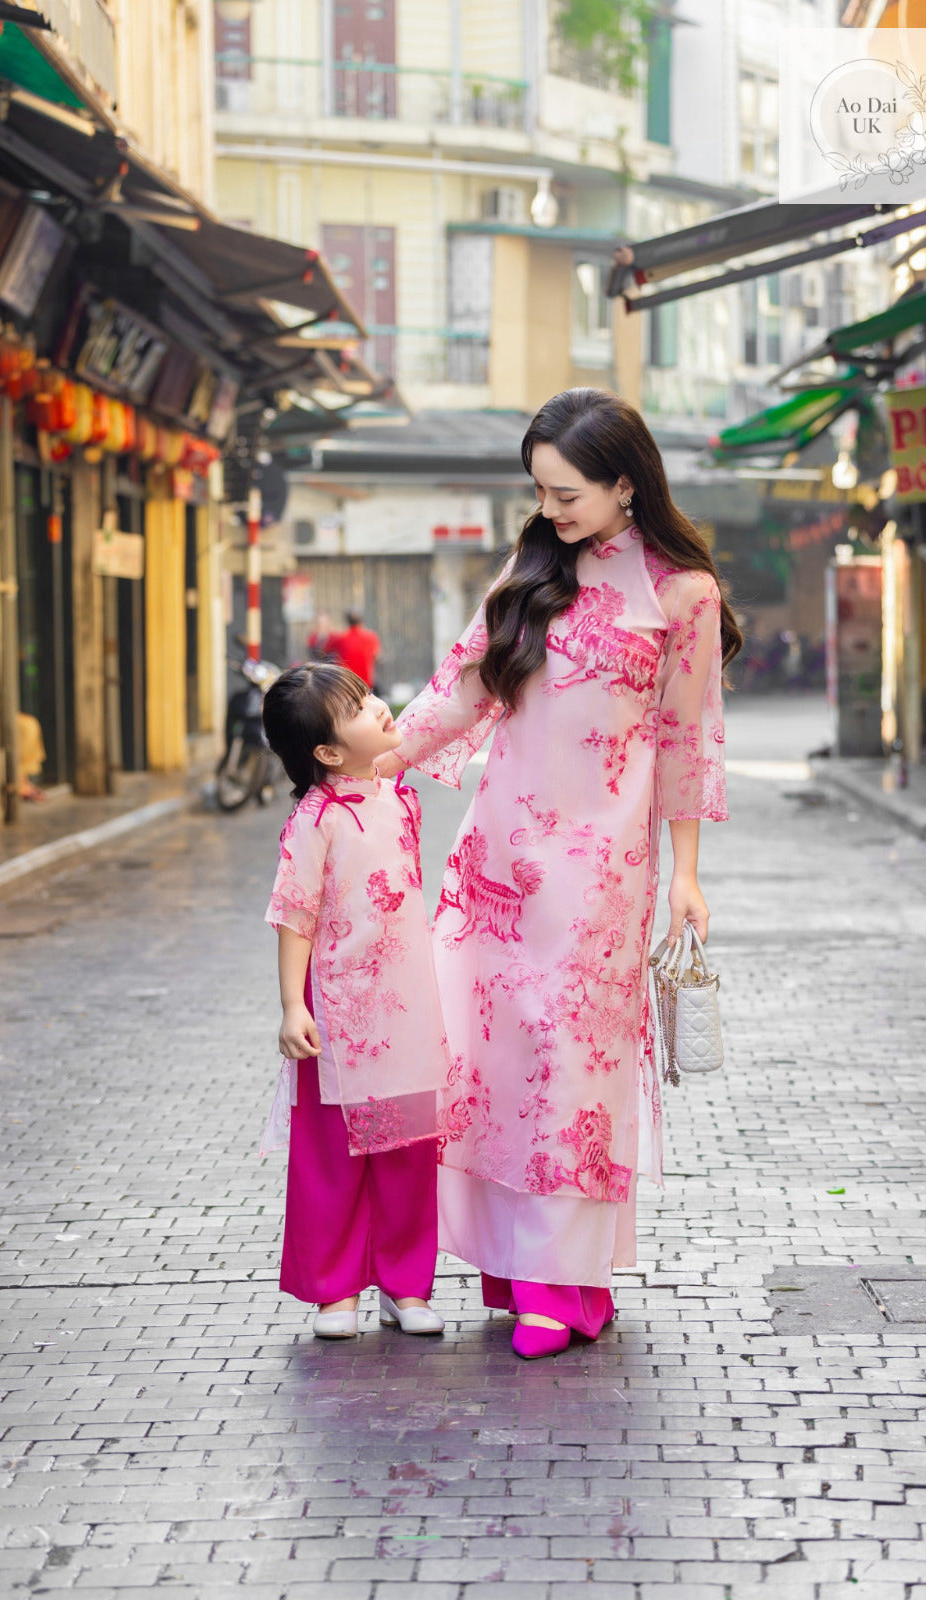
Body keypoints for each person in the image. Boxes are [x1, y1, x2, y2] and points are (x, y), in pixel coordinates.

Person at [376, 388, 742, 1359]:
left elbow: (686, 741)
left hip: (597, 871)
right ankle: (519, 1273)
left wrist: (687, 876)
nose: (551, 510)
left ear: (627, 483)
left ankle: (563, 1281)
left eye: (567, 490)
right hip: (497, 861)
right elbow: (463, 686)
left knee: (568, 1067)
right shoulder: (534, 568)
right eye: (539, 490)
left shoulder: (682, 594)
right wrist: (373, 758)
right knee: (488, 1066)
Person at [260, 662, 450, 1340]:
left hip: (408, 1004)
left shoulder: (400, 798)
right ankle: (335, 1292)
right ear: (328, 753)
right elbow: (295, 914)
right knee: (332, 1156)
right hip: (338, 1014)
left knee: (409, 1150)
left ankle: (406, 1285)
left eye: (368, 694)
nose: (378, 705)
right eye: (356, 706)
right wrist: (292, 1005)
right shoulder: (315, 821)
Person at [332, 609, 381, 691]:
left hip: (346, 681)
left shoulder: (340, 638)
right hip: (365, 682)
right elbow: (376, 656)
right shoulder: (371, 636)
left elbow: (327, 652)